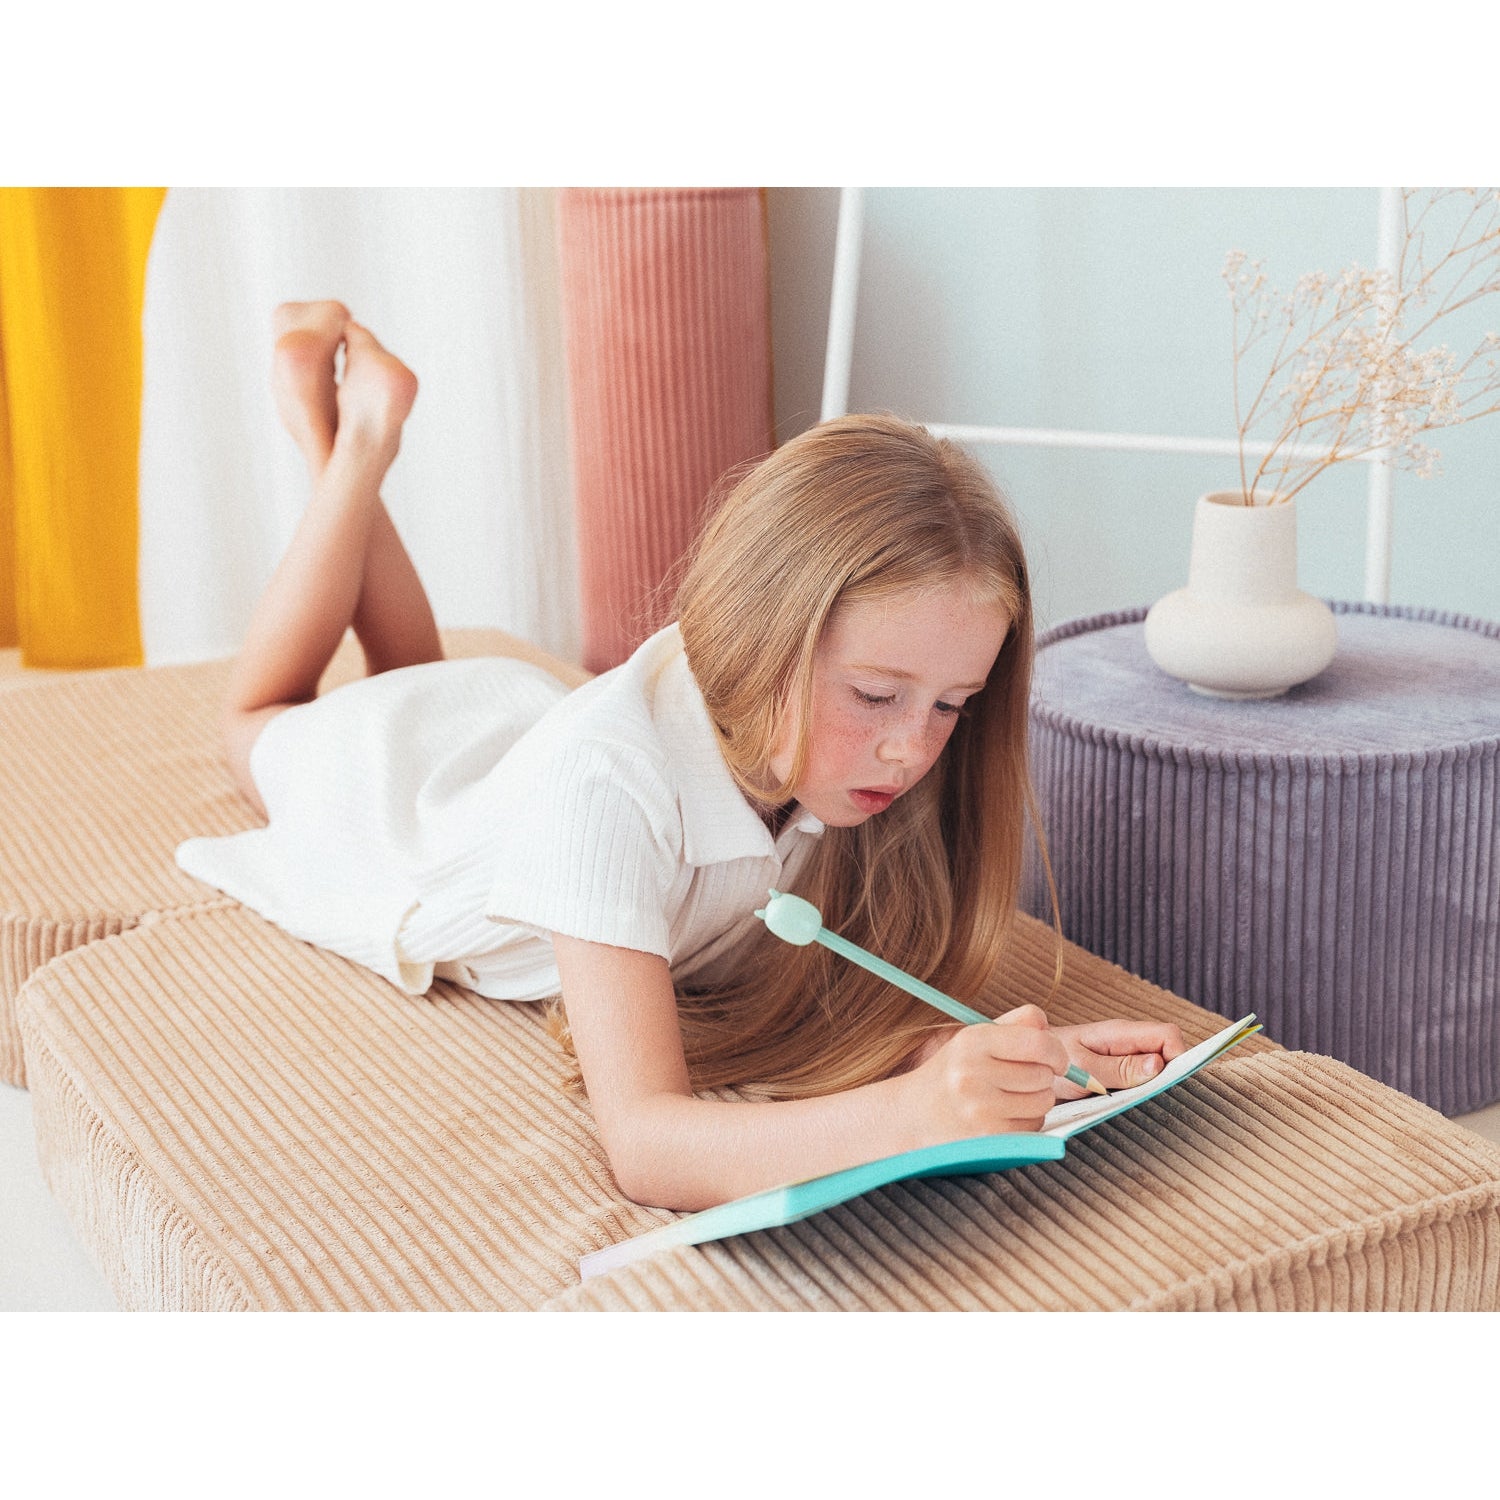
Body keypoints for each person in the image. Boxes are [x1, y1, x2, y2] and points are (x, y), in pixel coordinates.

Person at [178, 300, 1185, 1214]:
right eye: (877, 695)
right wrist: (916, 1113)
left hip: (509, 736)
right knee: (260, 716)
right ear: (760, 634)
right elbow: (647, 1145)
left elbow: (836, 1001)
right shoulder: (606, 791)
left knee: (414, 674)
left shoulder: (831, 769)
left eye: (952, 706)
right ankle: (350, 441)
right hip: (399, 796)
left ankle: (350, 438)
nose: (909, 747)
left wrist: (1012, 1064)